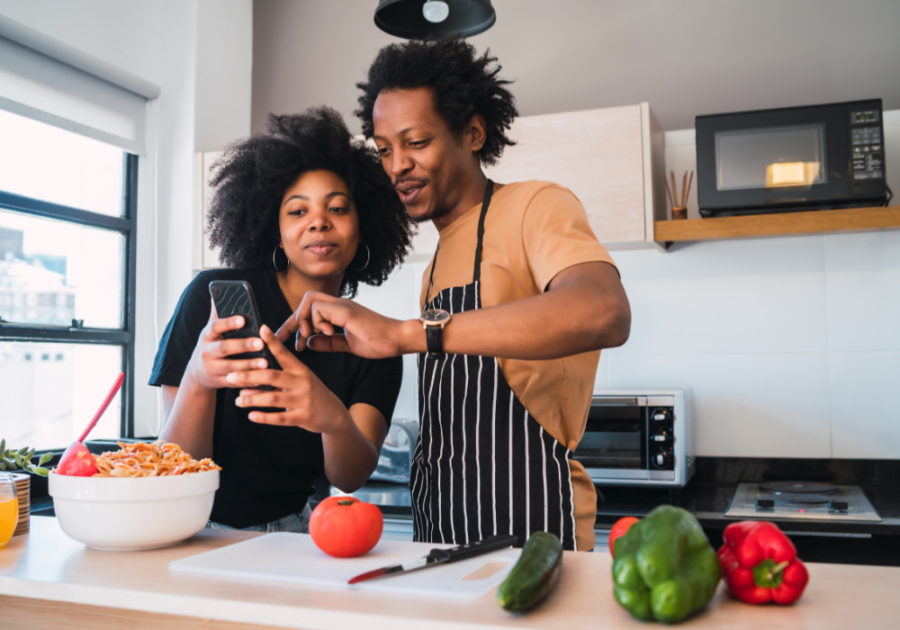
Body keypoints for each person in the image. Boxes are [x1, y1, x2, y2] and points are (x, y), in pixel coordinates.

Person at [279, 39, 631, 551]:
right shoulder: (438, 261)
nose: (396, 165)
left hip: (530, 523)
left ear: (472, 132)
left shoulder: (536, 205)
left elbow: (604, 311)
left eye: (415, 142)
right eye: (383, 149)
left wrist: (404, 334)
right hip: (439, 527)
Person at [149, 107, 413, 531]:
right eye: (297, 211)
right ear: (274, 228)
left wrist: (332, 418)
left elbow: (350, 476)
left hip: (291, 534)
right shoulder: (211, 299)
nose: (319, 222)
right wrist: (199, 379)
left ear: (363, 228)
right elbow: (175, 462)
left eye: (338, 208)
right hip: (189, 529)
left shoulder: (376, 341)